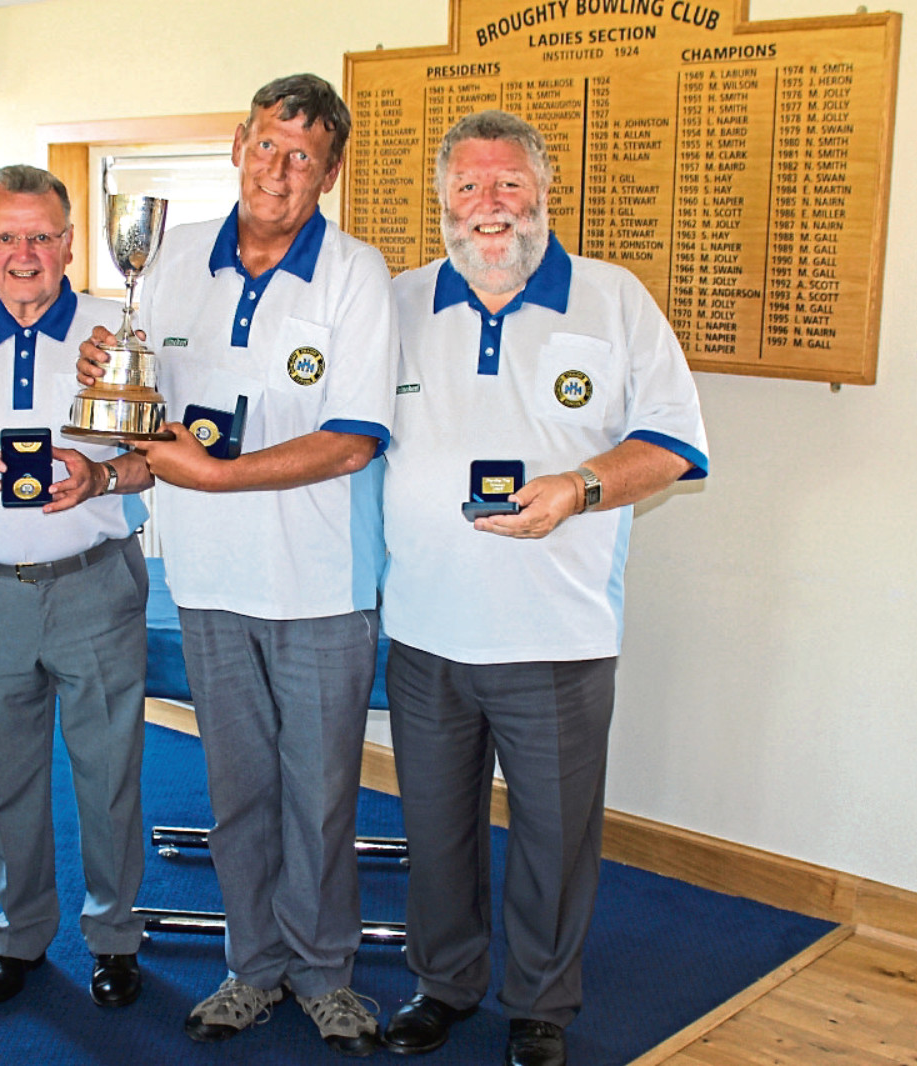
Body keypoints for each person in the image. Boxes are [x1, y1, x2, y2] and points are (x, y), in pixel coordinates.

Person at [378, 111, 710, 1066]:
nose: (491, 207)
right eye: (470, 187)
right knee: (435, 830)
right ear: (442, 200)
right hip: (427, 630)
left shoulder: (613, 301)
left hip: (556, 634)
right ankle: (443, 984)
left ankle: (539, 1004)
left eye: (510, 185)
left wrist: (578, 488)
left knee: (554, 839)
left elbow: (676, 447)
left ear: (546, 196)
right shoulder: (397, 302)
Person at [79, 73, 398, 1056]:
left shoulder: (355, 273)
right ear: (237, 144)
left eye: (304, 155)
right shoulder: (167, 260)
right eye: (268, 144)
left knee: (319, 792)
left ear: (330, 172)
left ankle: (325, 971)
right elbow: (156, 421)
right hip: (208, 582)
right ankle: (253, 967)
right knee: (238, 792)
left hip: (319, 585)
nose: (280, 168)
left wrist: (214, 478)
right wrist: (108, 378)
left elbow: (352, 440)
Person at [0, 164, 152, 1010]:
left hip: (95, 585)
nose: (24, 253)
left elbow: (165, 452)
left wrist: (102, 474)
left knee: (108, 774)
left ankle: (115, 937)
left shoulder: (123, 331)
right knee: (4, 777)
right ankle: (19, 935)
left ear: (71, 244)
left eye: (41, 235)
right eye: (5, 236)